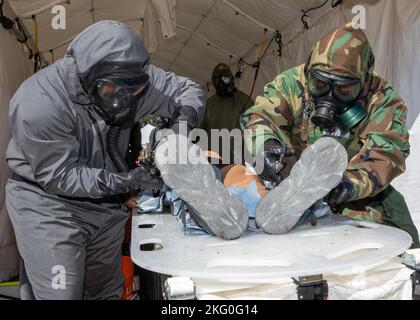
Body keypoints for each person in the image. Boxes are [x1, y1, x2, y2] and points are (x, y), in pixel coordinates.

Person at [5, 20, 205, 299]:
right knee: (61, 293)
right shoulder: (39, 102)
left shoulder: (138, 78)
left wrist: (179, 131)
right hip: (49, 205)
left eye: (132, 90)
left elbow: (189, 91)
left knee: (105, 292)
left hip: (106, 203)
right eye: (111, 89)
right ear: (89, 78)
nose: (124, 99)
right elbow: (59, 176)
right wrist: (125, 180)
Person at [241, 23, 419, 247]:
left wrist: (345, 185)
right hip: (292, 190)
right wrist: (265, 145)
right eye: (320, 83)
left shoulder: (381, 100)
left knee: (386, 250)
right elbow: (261, 116)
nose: (329, 96)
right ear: (308, 72)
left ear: (364, 82)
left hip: (358, 197)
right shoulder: (292, 83)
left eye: (344, 90)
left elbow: (385, 155)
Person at [200, 63, 254, 165]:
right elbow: (200, 131)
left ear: (231, 79)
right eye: (218, 80)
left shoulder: (243, 101)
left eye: (225, 79)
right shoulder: (209, 104)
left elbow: (255, 127)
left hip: (236, 160)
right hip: (217, 160)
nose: (222, 83)